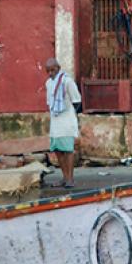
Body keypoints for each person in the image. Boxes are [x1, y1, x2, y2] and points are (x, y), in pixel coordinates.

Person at [46, 58, 83, 187]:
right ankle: (65, 177)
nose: (50, 73)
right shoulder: (48, 84)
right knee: (57, 150)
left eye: (53, 70)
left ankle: (70, 179)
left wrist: (72, 117)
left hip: (67, 120)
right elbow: (49, 103)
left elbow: (77, 101)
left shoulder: (68, 82)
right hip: (55, 121)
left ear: (58, 68)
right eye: (48, 71)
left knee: (68, 150)